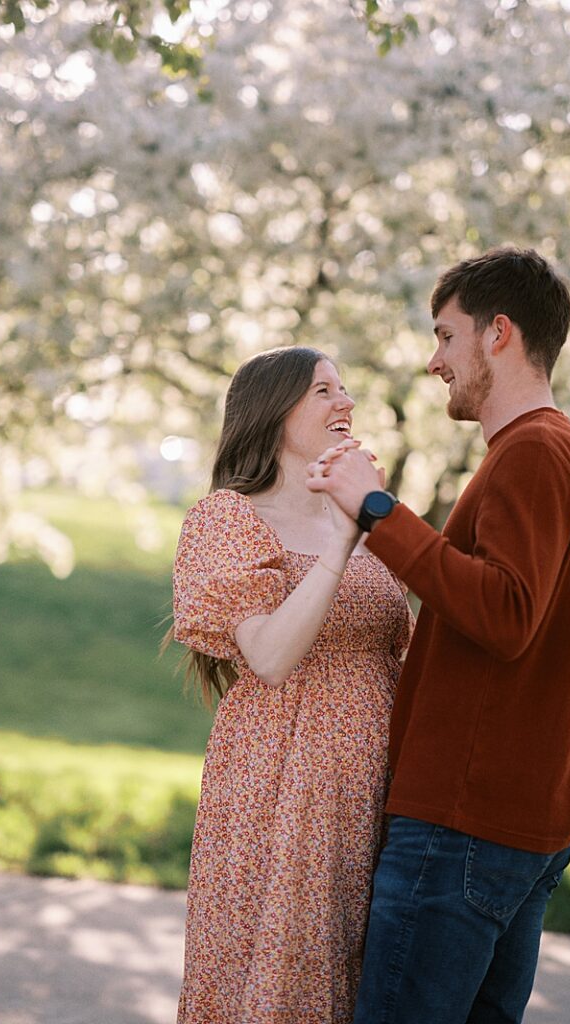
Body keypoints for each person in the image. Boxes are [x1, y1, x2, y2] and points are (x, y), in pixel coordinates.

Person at [307, 247, 570, 1024]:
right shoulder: (554, 451)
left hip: (463, 827)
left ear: (498, 334)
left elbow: (506, 615)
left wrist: (377, 512)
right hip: (513, 823)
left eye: (446, 336)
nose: (434, 360)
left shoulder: (537, 452)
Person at [170, 346, 413, 1024]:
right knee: (280, 974)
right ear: (275, 412)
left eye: (346, 388)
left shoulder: (367, 516)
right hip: (281, 781)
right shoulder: (228, 518)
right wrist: (339, 543)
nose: (347, 404)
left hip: (373, 782)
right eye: (324, 391)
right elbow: (270, 657)